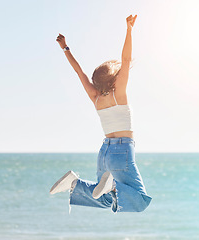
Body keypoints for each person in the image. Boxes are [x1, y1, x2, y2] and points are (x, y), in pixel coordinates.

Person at [49, 15, 151, 213]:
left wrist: (65, 48)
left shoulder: (95, 98)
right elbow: (126, 59)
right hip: (122, 151)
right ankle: (111, 185)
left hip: (105, 152)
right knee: (138, 201)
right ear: (114, 80)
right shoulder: (118, 94)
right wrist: (129, 30)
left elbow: (80, 72)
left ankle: (75, 184)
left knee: (107, 200)